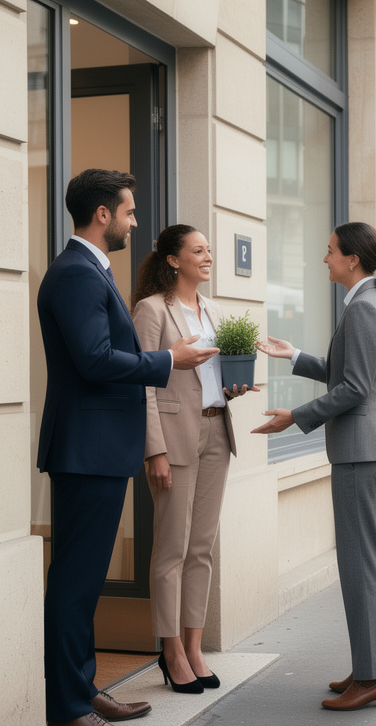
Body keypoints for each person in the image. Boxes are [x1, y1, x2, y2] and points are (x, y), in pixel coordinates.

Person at [36, 170, 217, 726]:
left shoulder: (90, 270)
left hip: (98, 449)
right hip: (87, 450)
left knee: (85, 583)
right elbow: (94, 360)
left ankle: (82, 690)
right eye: (130, 212)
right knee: (75, 583)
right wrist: (168, 361)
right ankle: (67, 712)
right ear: (102, 216)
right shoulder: (74, 273)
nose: (135, 222)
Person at [252, 222, 376, 710]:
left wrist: (294, 418)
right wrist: (294, 355)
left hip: (362, 449)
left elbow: (354, 389)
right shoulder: (369, 304)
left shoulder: (362, 308)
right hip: (373, 446)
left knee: (362, 564)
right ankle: (372, 668)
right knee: (371, 561)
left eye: (330, 251)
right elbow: (351, 374)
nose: (325, 259)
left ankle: (373, 675)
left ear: (353, 260)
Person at [131, 225, 254, 696]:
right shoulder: (152, 310)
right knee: (172, 548)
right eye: (198, 251)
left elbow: (213, 375)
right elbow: (141, 382)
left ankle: (195, 645)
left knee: (202, 546)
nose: (208, 257)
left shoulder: (215, 310)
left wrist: (233, 387)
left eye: (209, 250)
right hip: (174, 437)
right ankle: (171, 650)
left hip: (216, 428)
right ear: (173, 260)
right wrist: (154, 449)